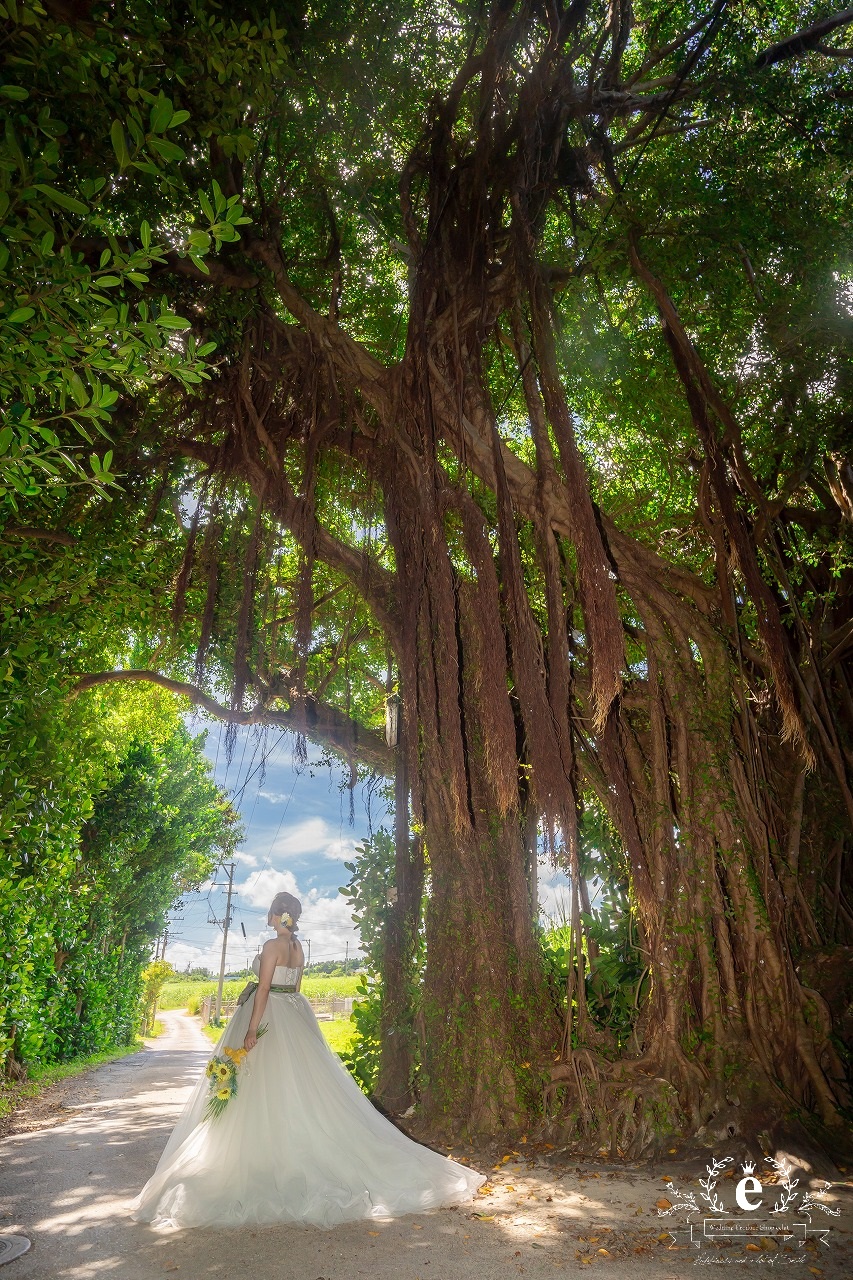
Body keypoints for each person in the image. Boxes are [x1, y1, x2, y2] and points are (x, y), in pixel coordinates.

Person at [132, 891, 485, 1228]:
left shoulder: (272, 946)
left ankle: (264, 1155)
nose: (269, 918)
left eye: (270, 913)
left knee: (264, 1085)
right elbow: (296, 990)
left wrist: (252, 1030)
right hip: (293, 1015)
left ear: (276, 915)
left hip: (269, 1014)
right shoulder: (298, 948)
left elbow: (266, 989)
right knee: (296, 1084)